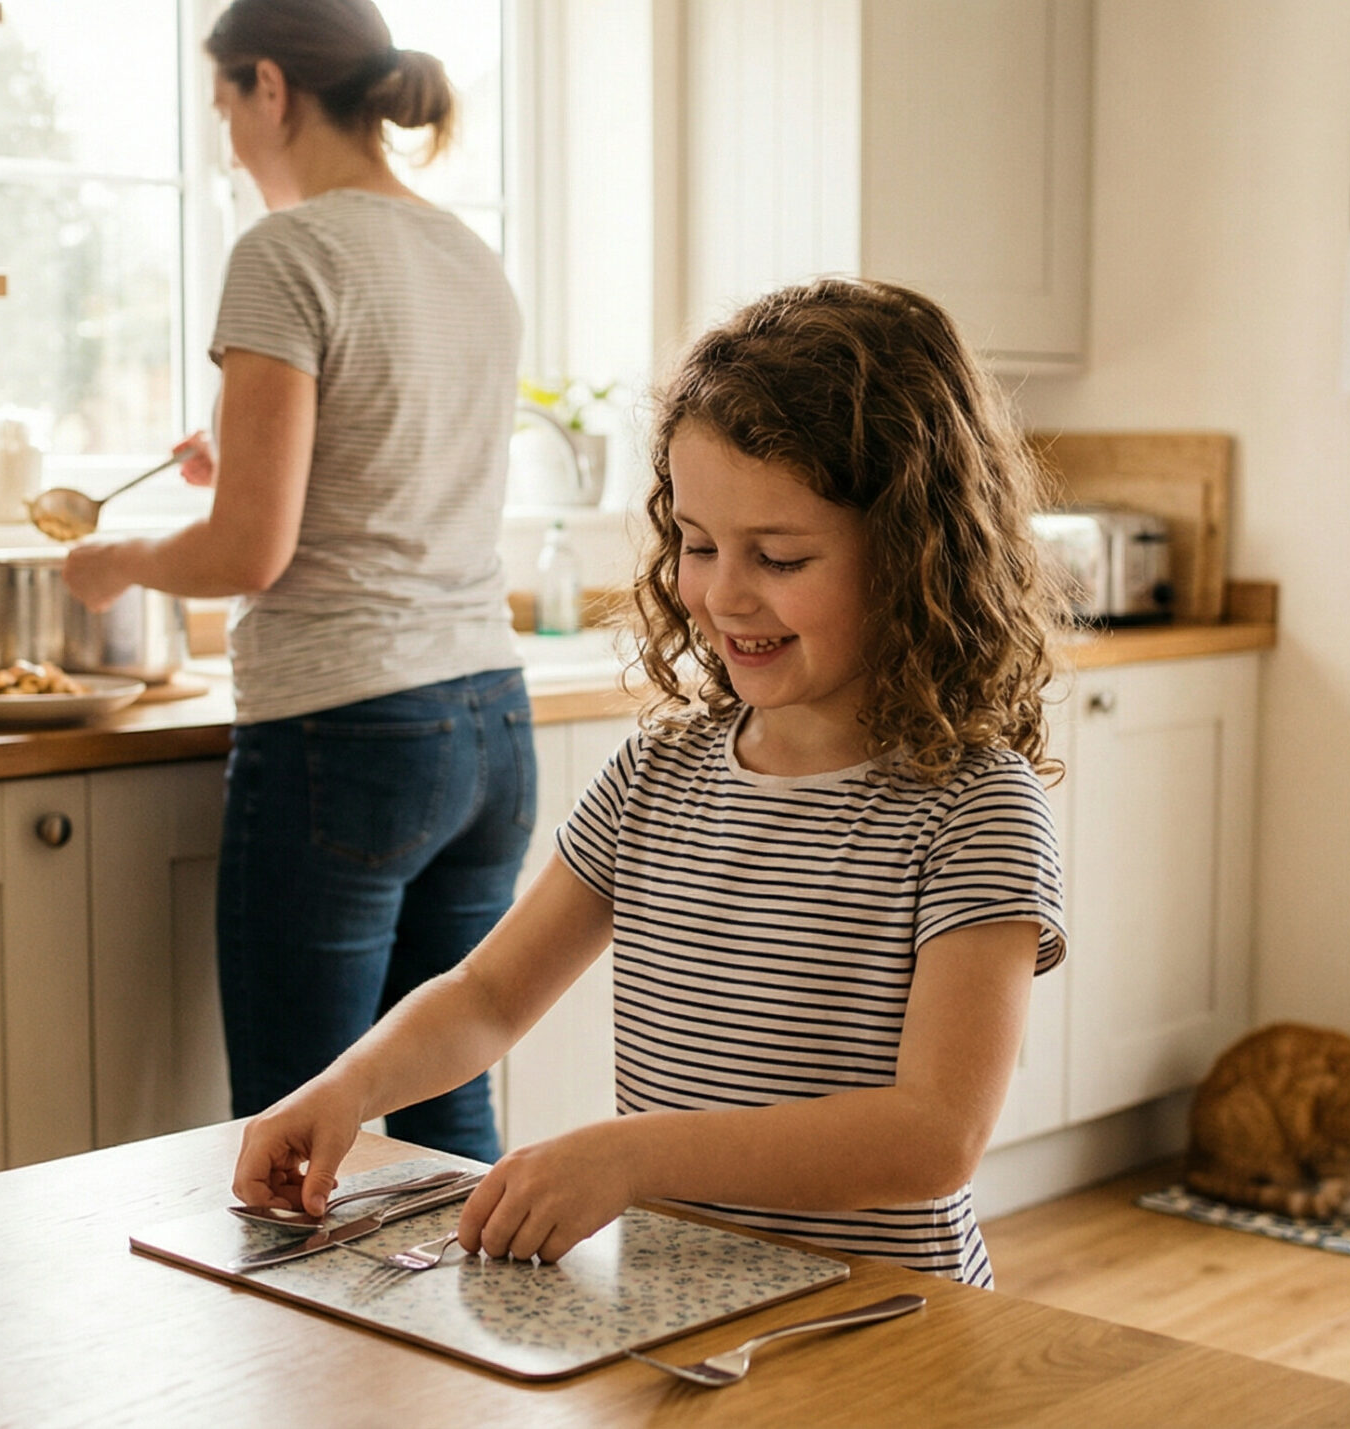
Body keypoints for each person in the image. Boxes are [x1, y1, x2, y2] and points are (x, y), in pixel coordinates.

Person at [230, 278, 1069, 1287]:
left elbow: (933, 1135)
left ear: (911, 552)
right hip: (675, 1309)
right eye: (698, 543)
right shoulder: (658, 775)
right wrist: (345, 1087)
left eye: (780, 555)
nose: (723, 592)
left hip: (876, 1329)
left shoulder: (973, 807)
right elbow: (488, 995)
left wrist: (630, 1155)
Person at [61, 0, 526, 1165]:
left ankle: (308, 1359)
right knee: (441, 1104)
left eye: (224, 106)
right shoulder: (470, 256)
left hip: (349, 732)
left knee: (292, 1115)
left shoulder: (287, 250)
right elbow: (394, 466)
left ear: (270, 87)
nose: (226, 140)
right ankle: (461, 1351)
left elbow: (245, 555)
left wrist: (119, 561)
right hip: (486, 722)